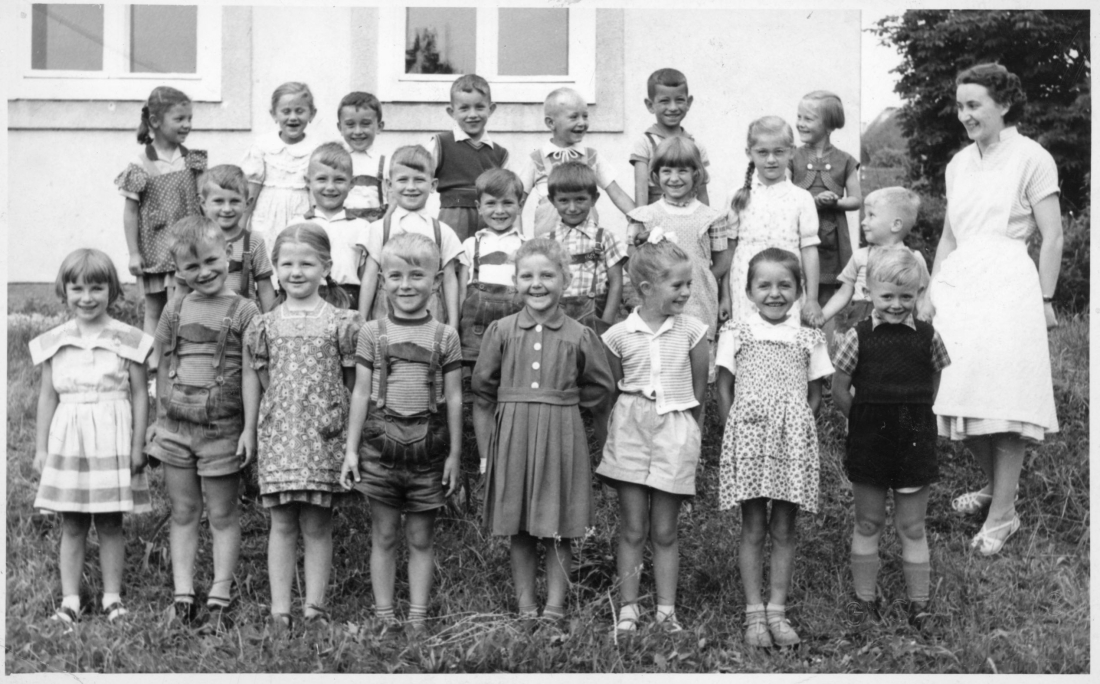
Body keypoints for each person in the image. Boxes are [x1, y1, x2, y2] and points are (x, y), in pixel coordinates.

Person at [928, 63, 1063, 555]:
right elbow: (949, 237)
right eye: (960, 106)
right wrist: (932, 291)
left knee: (1005, 401)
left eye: (974, 105)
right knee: (960, 396)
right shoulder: (958, 163)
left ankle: (1003, 513)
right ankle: (996, 489)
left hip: (1009, 287)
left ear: (1003, 104)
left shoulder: (1032, 157)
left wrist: (1045, 299)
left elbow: (1053, 235)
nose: (964, 115)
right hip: (960, 286)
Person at [473, 238, 615, 625]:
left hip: (560, 435)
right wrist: (488, 453)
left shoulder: (579, 334)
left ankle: (554, 608)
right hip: (513, 436)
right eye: (527, 276)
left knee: (559, 526)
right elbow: (483, 390)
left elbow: (600, 389)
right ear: (515, 282)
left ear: (565, 281)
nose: (537, 284)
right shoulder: (501, 331)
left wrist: (564, 405)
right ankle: (526, 607)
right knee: (518, 526)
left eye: (547, 275)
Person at [342, 233, 463, 636]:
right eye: (395, 276)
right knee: (384, 533)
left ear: (437, 280)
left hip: (429, 448)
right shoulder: (372, 333)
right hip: (379, 447)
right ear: (382, 281)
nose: (405, 285)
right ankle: (383, 615)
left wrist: (454, 455)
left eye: (416, 275)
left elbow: (455, 398)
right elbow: (361, 392)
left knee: (421, 536)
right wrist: (351, 450)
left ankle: (417, 617)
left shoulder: (445, 336)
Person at [146, 217, 260, 628]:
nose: (204, 272)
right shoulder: (175, 308)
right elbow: (162, 363)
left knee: (223, 514)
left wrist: (249, 429)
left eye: (211, 261)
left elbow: (251, 374)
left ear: (228, 253)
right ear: (177, 270)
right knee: (183, 510)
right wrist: (159, 419)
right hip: (176, 428)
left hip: (222, 430)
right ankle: (183, 596)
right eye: (191, 267)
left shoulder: (245, 310)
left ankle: (220, 596)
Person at [246, 223, 361, 630]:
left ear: (325, 267)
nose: (296, 272)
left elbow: (352, 383)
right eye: (287, 264)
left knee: (316, 523)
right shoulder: (264, 324)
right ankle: (280, 610)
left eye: (307, 264)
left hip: (323, 435)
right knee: (281, 523)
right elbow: (262, 379)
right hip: (280, 435)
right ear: (275, 268)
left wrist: (339, 426)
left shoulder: (342, 322)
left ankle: (315, 608)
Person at [715, 248, 832, 648]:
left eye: (785, 285)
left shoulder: (809, 337)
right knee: (753, 526)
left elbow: (814, 395)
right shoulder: (736, 332)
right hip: (748, 437)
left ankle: (777, 611)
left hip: (792, 441)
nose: (775, 293)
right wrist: (736, 430)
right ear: (748, 292)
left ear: (799, 291)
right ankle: (754, 613)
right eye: (763, 285)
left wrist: (796, 428)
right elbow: (724, 388)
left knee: (784, 527)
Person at [30, 249, 153, 626]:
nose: (87, 297)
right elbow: (47, 396)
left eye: (96, 288)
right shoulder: (55, 342)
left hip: (111, 440)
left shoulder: (128, 339)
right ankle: (70, 600)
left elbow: (139, 395)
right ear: (64, 291)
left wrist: (137, 445)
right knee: (72, 523)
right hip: (70, 440)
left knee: (111, 521)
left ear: (111, 290)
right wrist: (41, 448)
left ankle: (112, 598)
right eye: (78, 289)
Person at [831, 248, 951, 633]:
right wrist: (863, 420)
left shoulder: (929, 337)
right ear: (868, 292)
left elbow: (935, 378)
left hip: (914, 439)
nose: (897, 305)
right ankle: (864, 601)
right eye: (887, 296)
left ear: (918, 293)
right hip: (870, 440)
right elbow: (839, 389)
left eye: (906, 296)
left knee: (912, 526)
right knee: (868, 522)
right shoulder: (857, 337)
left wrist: (917, 412)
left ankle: (920, 606)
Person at [599, 230, 708, 635]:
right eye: (677, 285)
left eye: (688, 284)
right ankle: (629, 609)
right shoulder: (617, 335)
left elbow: (699, 394)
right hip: (630, 429)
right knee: (633, 528)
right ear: (646, 288)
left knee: (664, 530)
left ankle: (666, 612)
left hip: (675, 431)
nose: (686, 292)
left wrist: (692, 438)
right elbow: (613, 391)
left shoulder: (693, 330)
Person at [627, 137, 732, 382]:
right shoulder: (645, 216)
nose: (674, 178)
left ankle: (697, 407)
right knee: (661, 366)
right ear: (656, 175)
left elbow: (723, 260)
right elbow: (633, 259)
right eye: (667, 171)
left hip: (698, 302)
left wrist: (698, 280)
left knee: (696, 368)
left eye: (682, 170)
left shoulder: (712, 217)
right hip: (658, 303)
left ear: (696, 174)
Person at [116, 86, 205, 371]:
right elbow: (130, 212)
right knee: (154, 308)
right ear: (155, 122)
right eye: (179, 119)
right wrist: (133, 253)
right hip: (155, 249)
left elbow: (204, 202)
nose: (187, 125)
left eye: (189, 118)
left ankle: (178, 361)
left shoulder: (192, 159)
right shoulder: (140, 164)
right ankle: (152, 362)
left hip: (187, 249)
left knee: (182, 306)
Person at [727, 116, 822, 327]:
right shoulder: (737, 196)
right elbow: (729, 250)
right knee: (748, 335)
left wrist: (812, 299)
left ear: (791, 151)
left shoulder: (801, 198)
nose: (771, 159)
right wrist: (725, 296)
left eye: (778, 152)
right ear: (749, 153)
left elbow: (809, 250)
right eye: (762, 152)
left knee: (787, 335)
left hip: (787, 282)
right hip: (746, 283)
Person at [358, 145, 466, 325]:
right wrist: (362, 321)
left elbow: (449, 280)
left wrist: (453, 325)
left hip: (430, 313)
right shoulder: (379, 229)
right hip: (386, 313)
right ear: (389, 185)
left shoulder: (442, 231)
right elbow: (370, 277)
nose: (411, 187)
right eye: (402, 180)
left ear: (433, 185)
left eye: (419, 180)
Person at [791, 90, 861, 345]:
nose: (800, 123)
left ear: (829, 125)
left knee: (826, 297)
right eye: (799, 117)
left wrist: (836, 202)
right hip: (798, 237)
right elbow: (785, 194)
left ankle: (823, 354)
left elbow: (856, 199)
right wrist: (812, 202)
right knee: (794, 291)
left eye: (808, 118)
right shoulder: (792, 157)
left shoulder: (845, 161)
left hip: (831, 239)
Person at [521, 87, 636, 237]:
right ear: (551, 123)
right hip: (548, 244)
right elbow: (517, 202)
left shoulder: (592, 157)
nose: (582, 122)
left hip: (586, 242)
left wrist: (639, 219)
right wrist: (518, 239)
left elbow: (617, 193)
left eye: (585, 116)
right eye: (574, 117)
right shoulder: (537, 160)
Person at [821, 187, 929, 334]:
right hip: (861, 322)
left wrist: (925, 317)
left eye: (871, 215)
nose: (863, 222)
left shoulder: (914, 259)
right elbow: (843, 293)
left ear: (896, 225)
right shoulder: (860, 256)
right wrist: (822, 317)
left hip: (900, 322)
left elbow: (922, 295)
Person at [175, 165, 277, 312]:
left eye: (234, 201)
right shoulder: (192, 241)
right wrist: (176, 320)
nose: (227, 209)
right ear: (203, 203)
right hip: (202, 318)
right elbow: (181, 288)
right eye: (218, 201)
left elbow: (265, 287)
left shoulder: (253, 241)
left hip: (243, 319)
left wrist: (270, 321)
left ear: (247, 203)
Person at [545, 162, 627, 333]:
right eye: (564, 200)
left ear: (594, 199)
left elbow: (616, 283)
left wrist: (606, 323)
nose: (572, 208)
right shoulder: (547, 242)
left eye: (580, 199)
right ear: (552, 200)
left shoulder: (605, 238)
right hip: (556, 321)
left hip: (597, 320)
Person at [428, 74, 510, 243]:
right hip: (453, 218)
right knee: (451, 257)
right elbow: (420, 179)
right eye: (464, 108)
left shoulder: (500, 154)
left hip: (489, 220)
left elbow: (507, 194)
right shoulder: (441, 144)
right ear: (451, 112)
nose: (472, 114)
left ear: (491, 109)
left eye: (479, 107)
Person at [457, 169, 526, 366]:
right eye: (491, 203)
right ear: (478, 207)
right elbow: (462, 292)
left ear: (520, 206)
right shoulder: (470, 244)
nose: (499, 210)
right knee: (475, 372)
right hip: (475, 331)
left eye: (507, 203)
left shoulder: (526, 246)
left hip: (515, 329)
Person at [292, 143, 370, 310]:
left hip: (348, 300)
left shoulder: (362, 227)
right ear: (308, 181)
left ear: (352, 183)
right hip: (306, 299)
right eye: (322, 179)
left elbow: (366, 278)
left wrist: (363, 316)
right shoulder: (297, 225)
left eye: (339, 180)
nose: (330, 187)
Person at [243, 82, 317, 255]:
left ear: (312, 114)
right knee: (265, 257)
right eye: (286, 111)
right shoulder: (263, 146)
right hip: (266, 216)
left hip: (300, 215)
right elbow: (251, 192)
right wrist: (241, 227)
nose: (293, 117)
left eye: (300, 111)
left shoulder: (315, 149)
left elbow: (315, 193)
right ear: (274, 114)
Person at [630, 68, 711, 206]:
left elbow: (702, 192)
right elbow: (641, 189)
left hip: (690, 215)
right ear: (650, 105)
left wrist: (707, 219)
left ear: (688, 103)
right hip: (657, 217)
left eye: (679, 100)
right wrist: (641, 218)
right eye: (664, 101)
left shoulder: (696, 145)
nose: (673, 107)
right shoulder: (645, 143)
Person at [337, 91, 391, 222]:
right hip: (344, 226)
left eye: (365, 124)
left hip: (376, 226)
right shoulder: (335, 161)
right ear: (340, 128)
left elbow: (393, 199)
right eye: (350, 125)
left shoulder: (386, 162)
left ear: (379, 127)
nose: (358, 131)